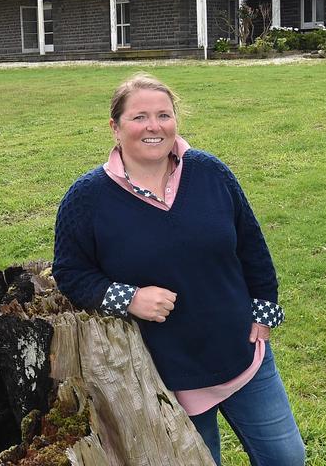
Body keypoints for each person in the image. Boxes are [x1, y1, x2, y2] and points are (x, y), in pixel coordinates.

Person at [53, 73, 305, 466]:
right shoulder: (87, 198)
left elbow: (252, 245)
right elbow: (70, 272)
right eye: (139, 117)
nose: (154, 126)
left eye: (164, 115)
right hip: (168, 372)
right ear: (115, 127)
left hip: (241, 352)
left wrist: (264, 312)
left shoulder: (210, 172)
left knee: (286, 457)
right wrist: (130, 298)